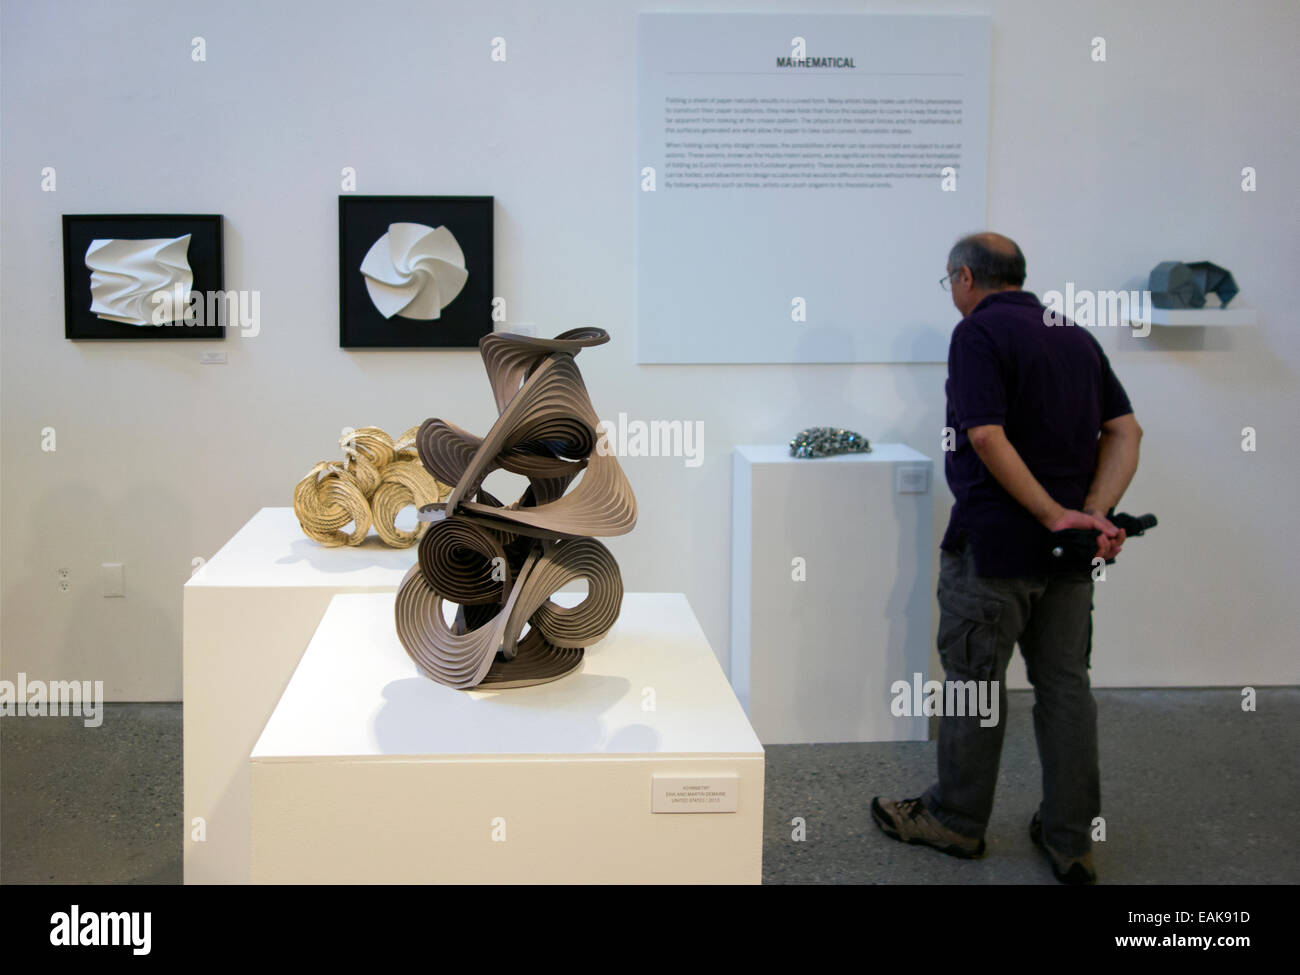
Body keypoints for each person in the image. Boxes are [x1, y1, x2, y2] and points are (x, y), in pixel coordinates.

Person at [871, 233, 1142, 885]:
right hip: (1068, 558)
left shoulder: (977, 336)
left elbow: (985, 434)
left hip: (994, 550)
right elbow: (1126, 430)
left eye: (949, 282)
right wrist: (1091, 516)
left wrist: (1053, 514)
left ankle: (957, 821)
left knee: (973, 686)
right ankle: (1071, 836)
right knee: (1066, 688)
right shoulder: (1073, 334)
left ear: (965, 277)